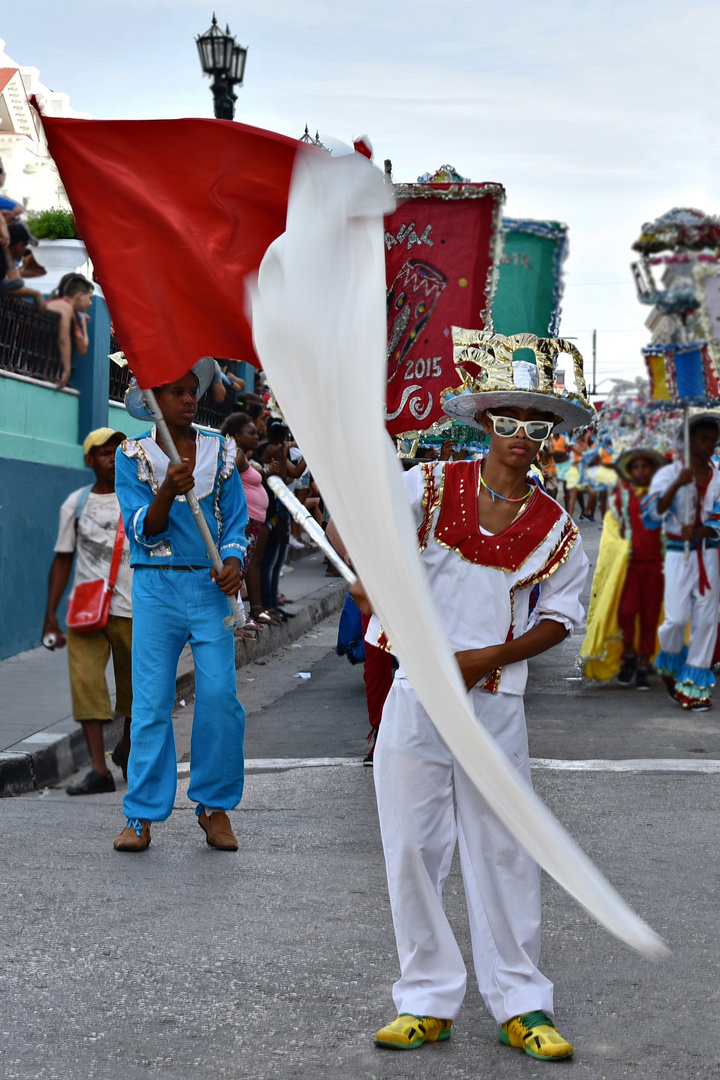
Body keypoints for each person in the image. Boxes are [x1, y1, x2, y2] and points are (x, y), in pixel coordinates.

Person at [347, 341, 591, 1061]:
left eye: (538, 426)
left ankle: (523, 1003)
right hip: (416, 693)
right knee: (413, 848)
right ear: (486, 421)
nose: (523, 438)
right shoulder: (423, 484)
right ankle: (425, 999)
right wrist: (364, 572)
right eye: (510, 421)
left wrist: (491, 656)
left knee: (505, 849)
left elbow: (561, 617)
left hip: (494, 701)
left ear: (552, 434)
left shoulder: (557, 527)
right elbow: (361, 532)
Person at [112, 359, 248, 852]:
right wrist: (167, 489)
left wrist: (233, 561)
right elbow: (142, 532)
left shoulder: (221, 451)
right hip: (155, 588)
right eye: (176, 392)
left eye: (193, 390)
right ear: (152, 401)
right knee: (149, 704)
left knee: (220, 697)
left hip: (210, 591)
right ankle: (141, 814)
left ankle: (214, 807)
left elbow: (235, 525)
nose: (189, 399)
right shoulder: (133, 456)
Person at [42, 427, 132, 794]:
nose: (112, 457)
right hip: (85, 611)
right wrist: (50, 615)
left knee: (137, 690)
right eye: (104, 452)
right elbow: (63, 560)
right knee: (86, 687)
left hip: (134, 608)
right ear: (89, 460)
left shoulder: (138, 497)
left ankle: (126, 748)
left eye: (117, 450)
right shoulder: (76, 504)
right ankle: (100, 770)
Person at [643, 413, 720, 710]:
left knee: (706, 620)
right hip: (677, 554)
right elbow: (653, 514)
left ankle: (695, 686)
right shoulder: (668, 473)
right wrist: (677, 485)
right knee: (675, 619)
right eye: (704, 439)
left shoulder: (717, 475)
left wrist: (703, 529)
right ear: (688, 440)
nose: (710, 445)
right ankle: (674, 660)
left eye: (714, 440)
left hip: (709, 554)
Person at [219, 411, 279, 635]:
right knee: (237, 570)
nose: (257, 436)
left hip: (254, 522)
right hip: (245, 523)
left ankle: (244, 616)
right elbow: (228, 469)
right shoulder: (235, 454)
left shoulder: (244, 455)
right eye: (251, 433)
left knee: (244, 570)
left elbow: (255, 472)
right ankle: (234, 621)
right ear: (236, 436)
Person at [45, 274, 94, 389]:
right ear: (80, 295)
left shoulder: (64, 308)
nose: (91, 303)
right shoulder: (67, 308)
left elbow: (82, 348)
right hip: (40, 368)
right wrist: (67, 370)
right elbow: (66, 340)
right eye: (90, 298)